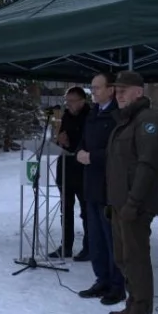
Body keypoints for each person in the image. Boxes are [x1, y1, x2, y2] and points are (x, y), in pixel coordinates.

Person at [105, 71, 158, 314]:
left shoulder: (147, 120)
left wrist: (133, 202)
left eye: (124, 90)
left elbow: (147, 165)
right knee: (123, 257)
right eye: (117, 89)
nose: (119, 94)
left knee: (137, 259)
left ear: (139, 92)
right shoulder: (126, 120)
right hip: (119, 204)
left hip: (135, 206)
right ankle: (132, 305)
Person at [76, 72, 125, 306]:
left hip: (109, 187)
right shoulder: (93, 113)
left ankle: (117, 285)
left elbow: (120, 153)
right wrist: (79, 152)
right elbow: (83, 142)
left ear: (111, 89)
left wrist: (92, 157)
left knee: (111, 238)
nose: (92, 91)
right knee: (95, 238)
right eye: (92, 87)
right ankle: (101, 279)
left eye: (97, 87)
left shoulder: (118, 115)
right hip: (91, 186)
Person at [49, 87, 90, 261]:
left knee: (86, 211)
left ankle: (89, 246)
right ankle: (66, 246)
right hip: (65, 167)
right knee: (66, 209)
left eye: (72, 101)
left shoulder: (90, 116)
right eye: (67, 101)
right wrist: (60, 140)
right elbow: (63, 139)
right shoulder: (65, 116)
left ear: (82, 100)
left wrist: (70, 141)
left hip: (83, 170)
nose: (69, 104)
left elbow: (87, 141)